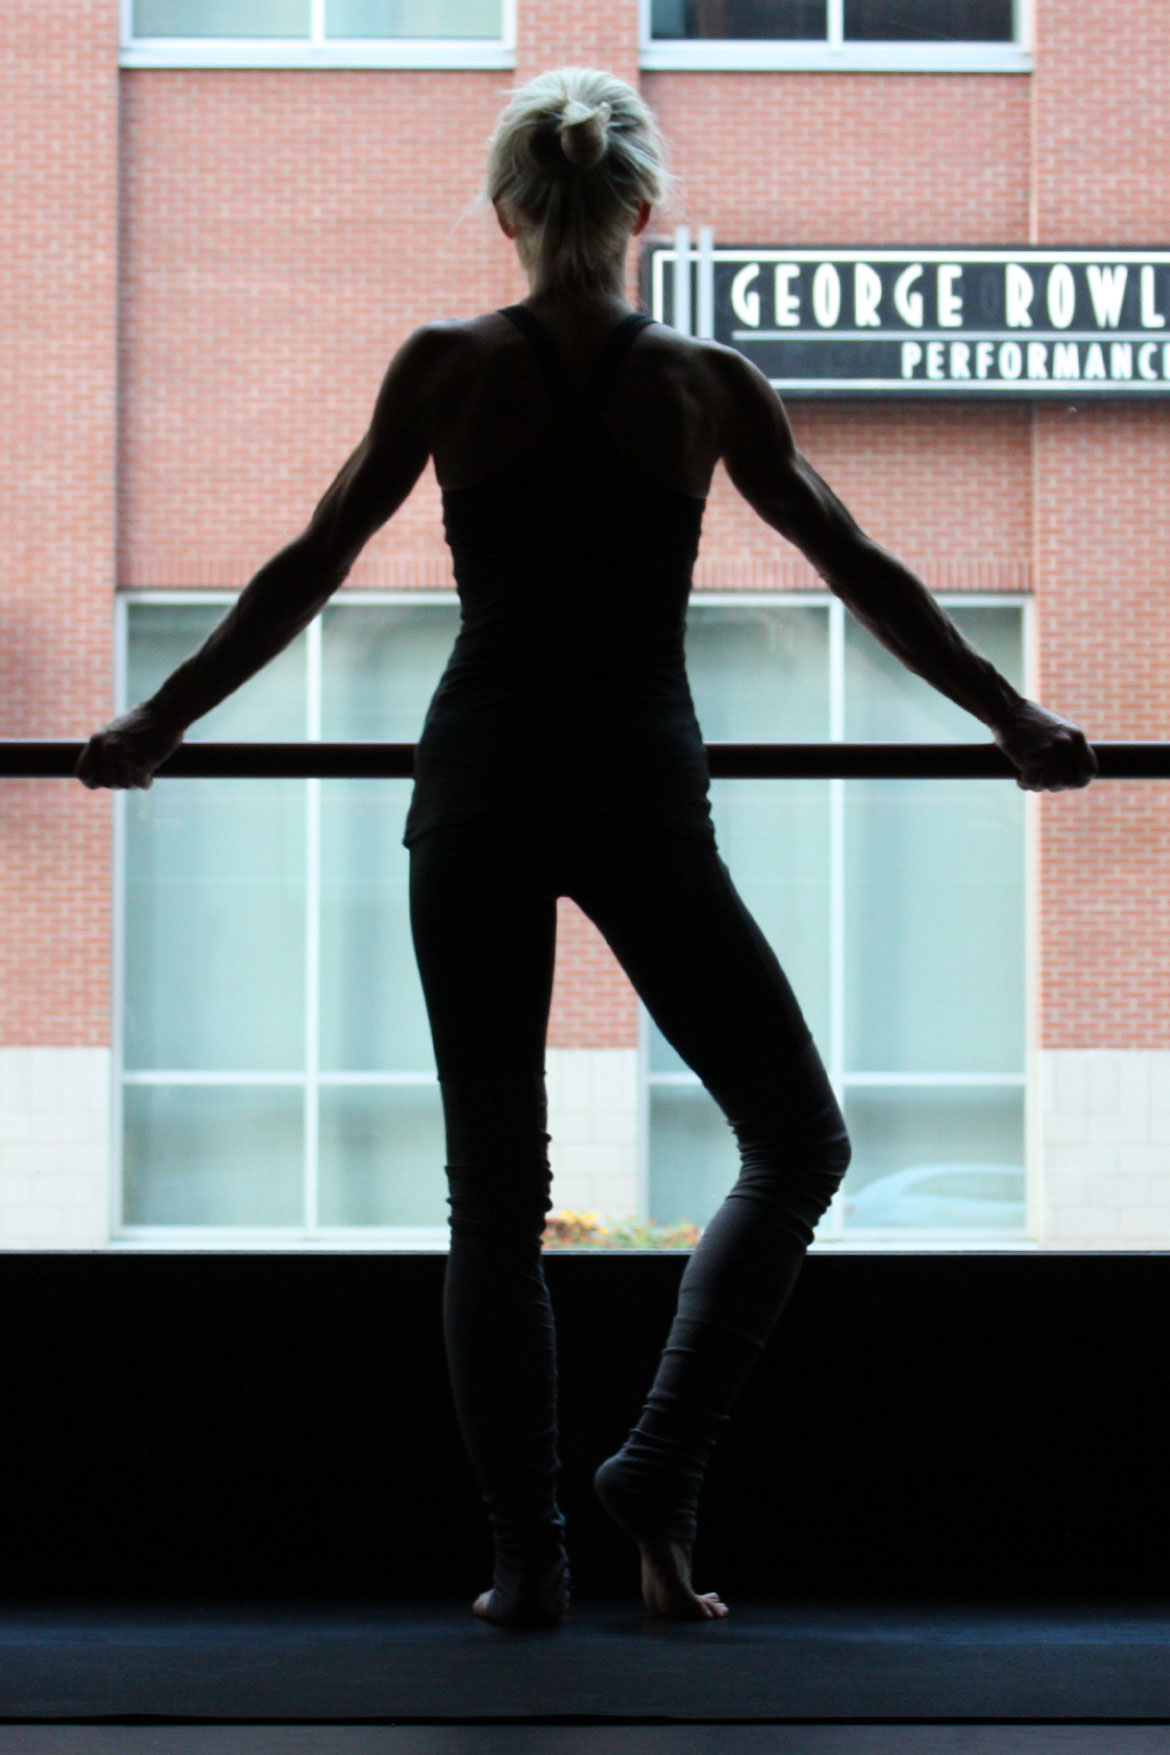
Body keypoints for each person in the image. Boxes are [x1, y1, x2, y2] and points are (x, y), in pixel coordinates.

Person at [77, 66, 1097, 1632]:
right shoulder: (701, 382)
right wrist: (1014, 717)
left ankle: (526, 1564)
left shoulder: (441, 366)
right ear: (643, 213)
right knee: (795, 1141)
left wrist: (157, 723)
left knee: (493, 1200)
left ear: (506, 211)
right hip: (632, 788)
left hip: (480, 779)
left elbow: (306, 566)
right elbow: (865, 573)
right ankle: (661, 1469)